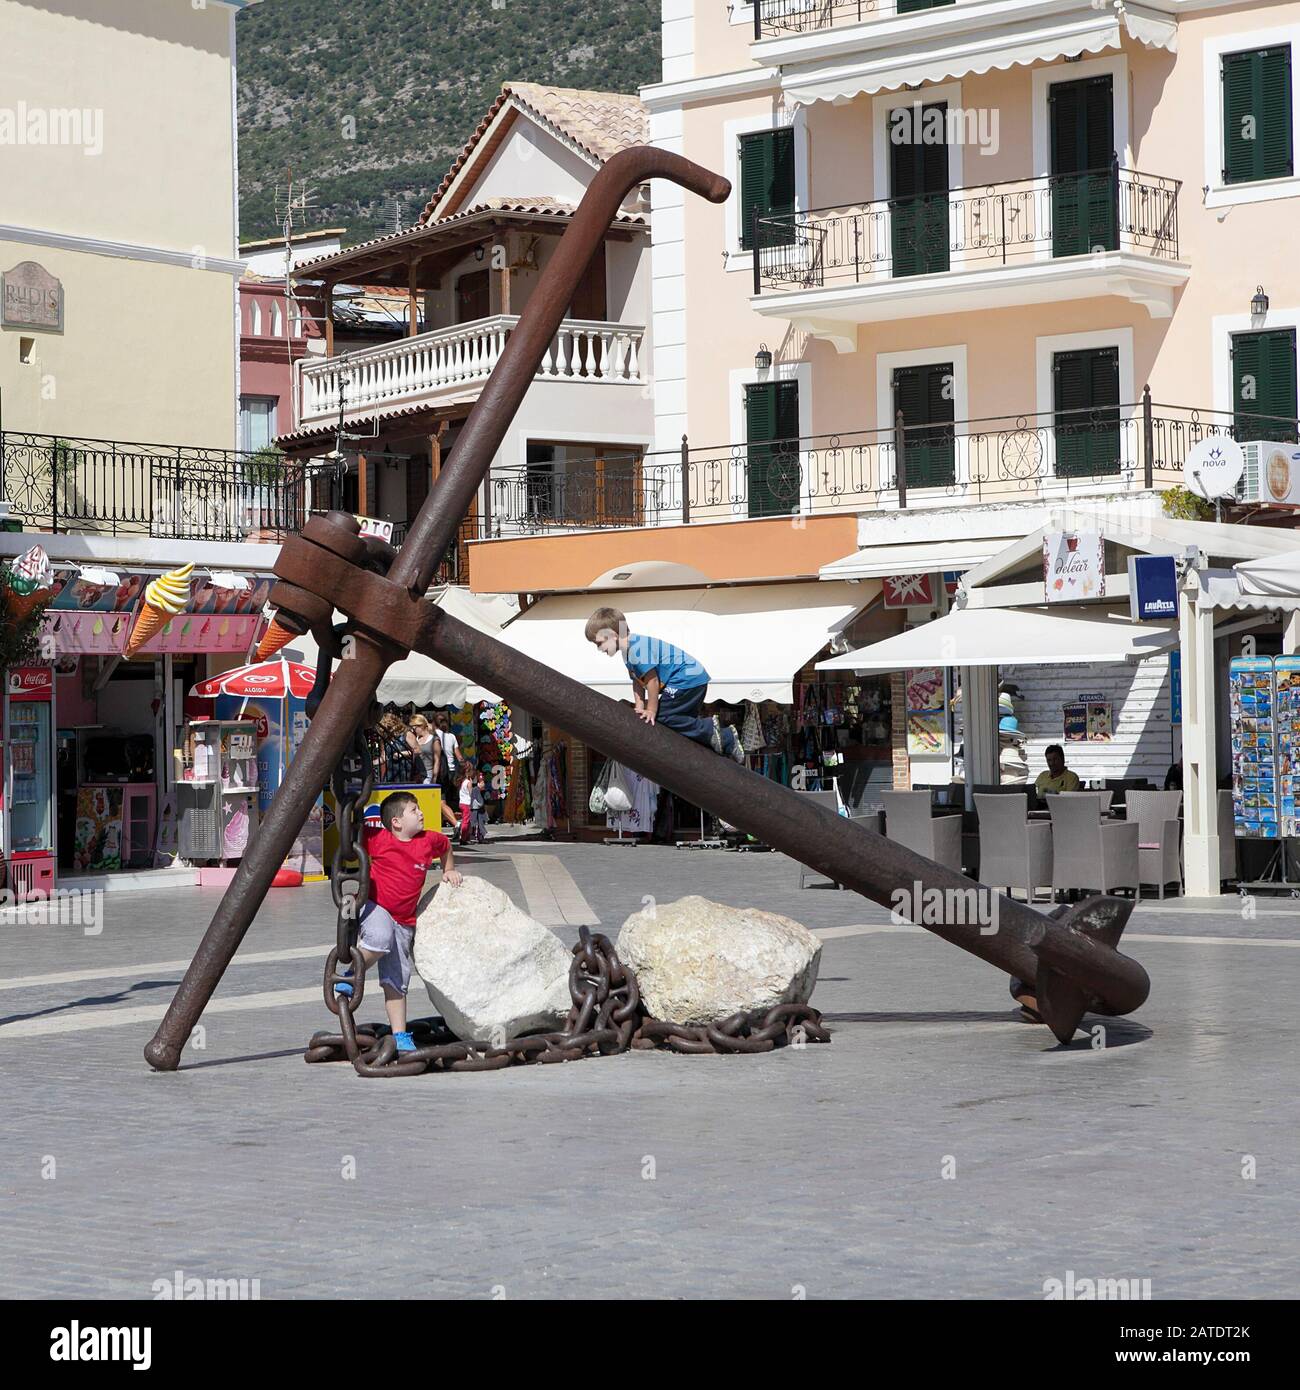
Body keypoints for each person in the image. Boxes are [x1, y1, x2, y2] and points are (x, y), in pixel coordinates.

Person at [333, 790, 461, 1052]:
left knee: (397, 980)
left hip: (404, 920)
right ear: (396, 822)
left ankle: (400, 1035)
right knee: (379, 939)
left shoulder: (429, 841)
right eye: (414, 810)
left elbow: (446, 848)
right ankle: (351, 975)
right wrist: (343, 802)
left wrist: (448, 869)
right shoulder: (378, 839)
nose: (421, 813)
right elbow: (346, 832)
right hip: (376, 906)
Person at [584, 606, 744, 762]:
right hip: (693, 679)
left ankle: (717, 732)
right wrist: (639, 708)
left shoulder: (635, 649)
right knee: (681, 724)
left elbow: (652, 681)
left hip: (685, 680)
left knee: (663, 716)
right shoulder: (628, 652)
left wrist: (652, 710)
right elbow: (638, 681)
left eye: (599, 643)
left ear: (613, 635)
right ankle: (721, 745)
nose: (599, 649)